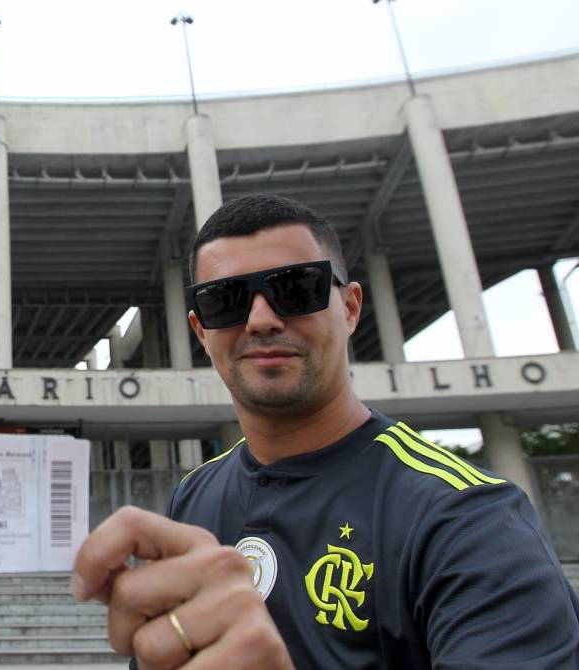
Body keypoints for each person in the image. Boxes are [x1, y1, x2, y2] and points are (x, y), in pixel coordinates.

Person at [71, 193, 579, 669]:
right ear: (201, 331)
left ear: (351, 307)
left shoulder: (468, 518)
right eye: (226, 300)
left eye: (296, 288)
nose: (261, 319)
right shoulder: (194, 497)